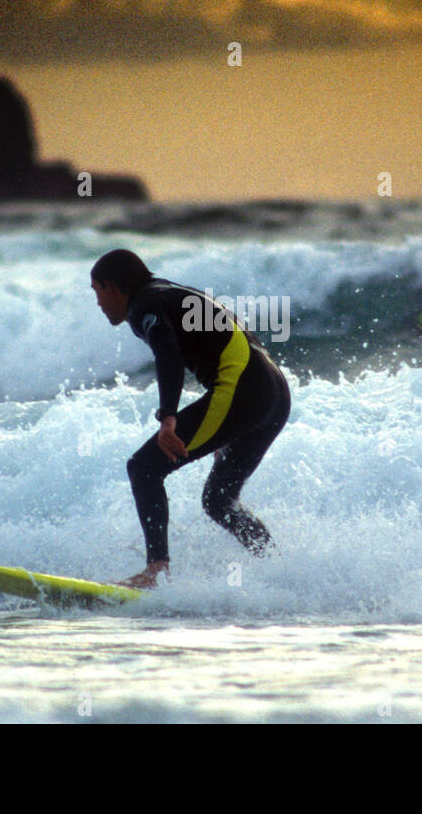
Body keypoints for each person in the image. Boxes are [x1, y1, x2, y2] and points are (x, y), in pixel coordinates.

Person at [90, 249, 291, 589]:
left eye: (97, 292)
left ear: (113, 287)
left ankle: (156, 571)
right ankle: (283, 574)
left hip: (244, 390)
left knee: (144, 468)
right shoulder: (167, 293)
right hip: (273, 392)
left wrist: (168, 417)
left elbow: (167, 352)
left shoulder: (143, 305)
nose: (98, 303)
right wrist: (228, 425)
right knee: (218, 501)